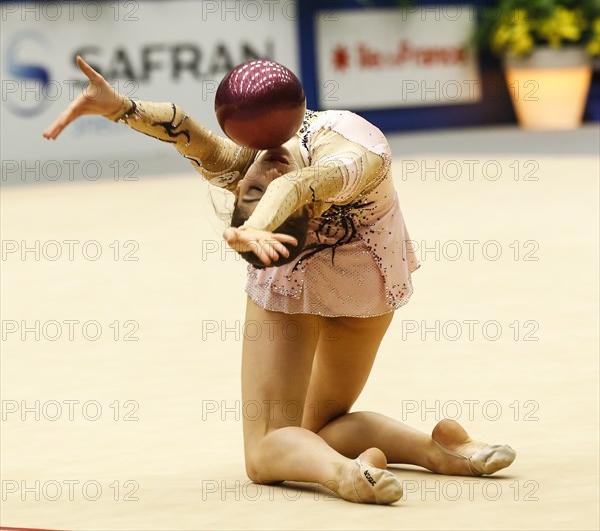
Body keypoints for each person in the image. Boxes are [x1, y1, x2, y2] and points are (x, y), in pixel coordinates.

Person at [43, 56, 516, 505]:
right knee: (317, 430)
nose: (260, 174)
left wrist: (252, 224)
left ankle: (345, 474)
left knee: (267, 450)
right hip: (323, 279)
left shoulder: (347, 149)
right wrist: (118, 107)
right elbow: (238, 158)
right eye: (252, 189)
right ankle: (441, 451)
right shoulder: (295, 165)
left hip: (359, 283)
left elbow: (266, 172)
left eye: (253, 188)